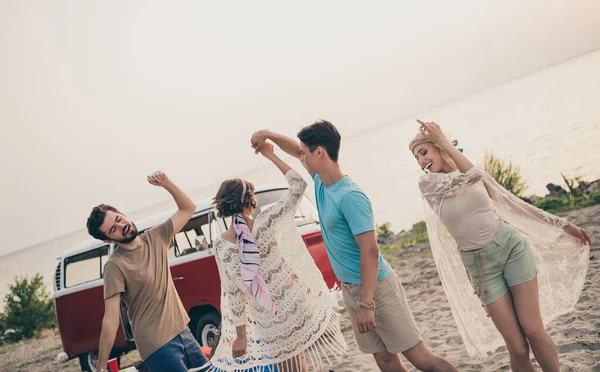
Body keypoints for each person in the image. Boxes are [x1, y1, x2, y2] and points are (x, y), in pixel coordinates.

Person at [251, 121, 457, 372]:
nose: (300, 157)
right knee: (385, 361)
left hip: (376, 289)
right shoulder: (320, 181)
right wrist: (269, 136)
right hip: (351, 288)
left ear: (320, 152)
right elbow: (295, 150)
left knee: (422, 359)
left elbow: (370, 252)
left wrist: (366, 304)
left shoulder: (350, 196)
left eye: (305, 152)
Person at [409, 120, 591, 371]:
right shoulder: (428, 184)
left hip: (511, 248)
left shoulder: (465, 169)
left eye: (424, 152)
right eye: (416, 157)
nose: (420, 161)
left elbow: (511, 204)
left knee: (534, 330)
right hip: (482, 268)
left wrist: (562, 225)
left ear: (439, 147)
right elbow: (472, 176)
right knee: (517, 347)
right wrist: (444, 144)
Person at [204, 142, 346, 372]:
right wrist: (271, 155)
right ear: (250, 200)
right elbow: (298, 185)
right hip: (294, 301)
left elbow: (234, 292)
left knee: (289, 367)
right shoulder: (266, 221)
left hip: (268, 314)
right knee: (295, 365)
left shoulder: (223, 244)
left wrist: (241, 336)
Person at [86, 171, 208, 372]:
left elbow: (188, 208)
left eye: (119, 219)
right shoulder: (114, 266)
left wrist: (167, 183)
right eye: (113, 229)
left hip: (184, 331)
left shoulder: (156, 237)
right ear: (108, 240)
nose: (122, 226)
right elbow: (110, 318)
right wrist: (101, 366)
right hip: (157, 346)